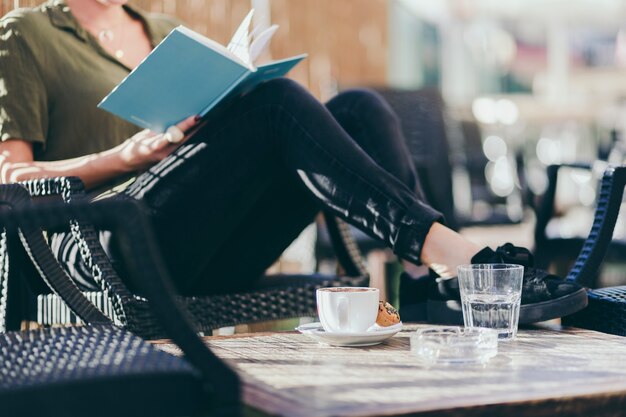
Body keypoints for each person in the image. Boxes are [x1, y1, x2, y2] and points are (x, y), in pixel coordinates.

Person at [0, 0, 586, 322]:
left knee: (358, 107)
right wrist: (124, 156)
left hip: (205, 242)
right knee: (278, 105)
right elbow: (11, 179)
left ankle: (424, 286)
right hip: (103, 251)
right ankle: (457, 261)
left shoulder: (163, 30)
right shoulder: (26, 34)